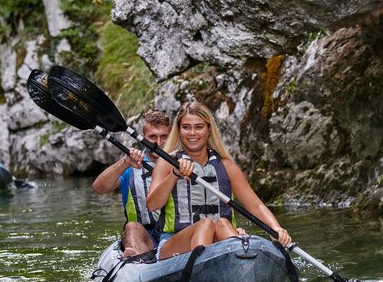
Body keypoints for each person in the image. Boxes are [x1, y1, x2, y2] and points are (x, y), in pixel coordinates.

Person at [146, 102, 291, 260]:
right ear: (179, 131)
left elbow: (256, 206)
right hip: (174, 243)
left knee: (222, 224)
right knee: (205, 224)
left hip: (218, 239)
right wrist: (174, 174)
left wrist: (276, 228)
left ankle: (240, 268)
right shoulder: (167, 163)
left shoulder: (226, 166)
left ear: (209, 130)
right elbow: (152, 205)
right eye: (186, 127)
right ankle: (204, 271)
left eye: (199, 127)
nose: (192, 133)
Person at [92, 110, 172, 258]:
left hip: (175, 234)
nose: (159, 143)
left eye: (164, 137)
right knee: (132, 227)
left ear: (171, 136)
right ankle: (137, 261)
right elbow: (98, 188)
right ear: (142, 138)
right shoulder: (131, 166)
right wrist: (124, 163)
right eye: (152, 137)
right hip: (143, 235)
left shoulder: (181, 164)